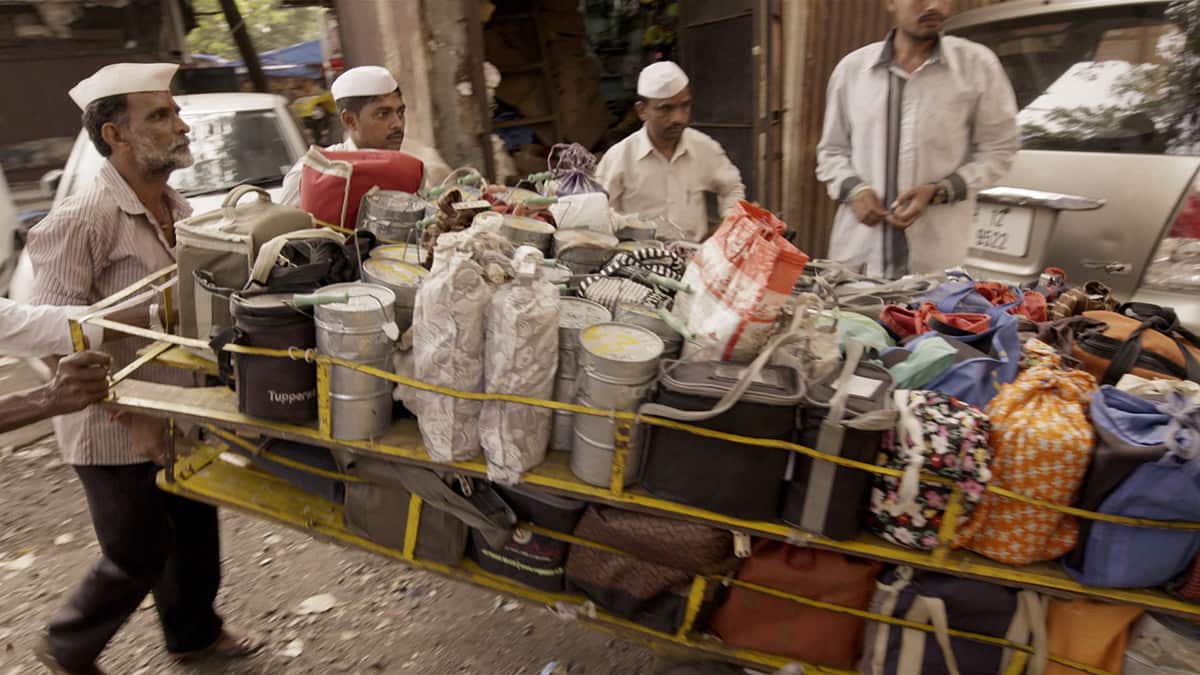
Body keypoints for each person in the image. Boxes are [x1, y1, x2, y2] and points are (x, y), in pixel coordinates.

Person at [26, 62, 260, 675]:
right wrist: (132, 418)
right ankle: (67, 646)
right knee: (137, 549)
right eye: (160, 115)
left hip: (181, 405)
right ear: (115, 135)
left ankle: (194, 634)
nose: (181, 125)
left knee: (194, 532)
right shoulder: (80, 219)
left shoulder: (178, 208)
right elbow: (53, 339)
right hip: (111, 426)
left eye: (175, 112)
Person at [815, 0, 1019, 278]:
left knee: (930, 306)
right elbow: (832, 151)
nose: (934, 6)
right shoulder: (853, 71)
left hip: (935, 263)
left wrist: (940, 190)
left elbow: (1000, 148)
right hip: (859, 257)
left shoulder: (977, 66)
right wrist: (854, 190)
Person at [595, 61, 746, 242]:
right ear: (642, 111)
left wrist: (728, 225)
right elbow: (598, 213)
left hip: (696, 255)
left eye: (685, 106)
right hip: (639, 256)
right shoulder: (620, 157)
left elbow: (732, 188)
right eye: (666, 108)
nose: (678, 118)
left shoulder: (703, 148)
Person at [280, 65, 451, 205]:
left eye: (400, 112)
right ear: (350, 120)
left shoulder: (423, 168)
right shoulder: (313, 173)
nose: (398, 124)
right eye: (383, 114)